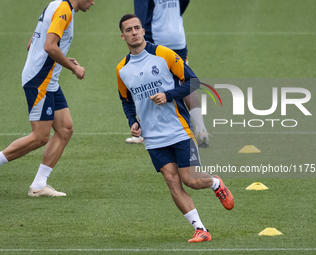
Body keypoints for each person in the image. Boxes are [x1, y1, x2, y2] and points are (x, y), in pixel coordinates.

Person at [116, 14, 234, 243]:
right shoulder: (122, 69)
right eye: (129, 30)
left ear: (142, 30)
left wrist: (169, 95)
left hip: (179, 130)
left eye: (137, 28)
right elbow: (126, 100)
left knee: (191, 180)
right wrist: (133, 121)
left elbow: (193, 82)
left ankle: (216, 183)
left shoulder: (164, 54)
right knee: (172, 181)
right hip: (152, 138)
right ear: (123, 36)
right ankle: (201, 229)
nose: (134, 32)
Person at [0, 0, 95, 197]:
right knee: (40, 136)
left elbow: (32, 44)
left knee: (65, 129)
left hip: (48, 79)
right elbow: (49, 46)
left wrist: (64, 59)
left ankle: (38, 185)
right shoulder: (64, 11)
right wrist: (73, 68)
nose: (94, 2)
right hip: (40, 80)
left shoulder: (56, 5)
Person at [125, 0, 209, 147]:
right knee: (185, 80)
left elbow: (139, 17)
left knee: (148, 82)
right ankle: (201, 128)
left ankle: (146, 131)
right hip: (177, 36)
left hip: (156, 38)